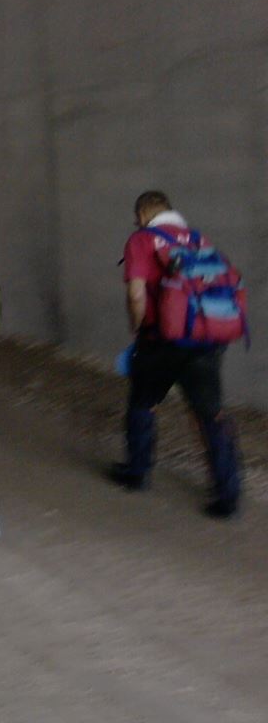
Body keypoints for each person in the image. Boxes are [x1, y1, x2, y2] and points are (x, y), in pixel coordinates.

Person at [110, 190, 241, 518]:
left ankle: (137, 472)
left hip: (161, 341)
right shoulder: (197, 239)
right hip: (206, 339)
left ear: (143, 213)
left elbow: (136, 294)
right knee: (209, 414)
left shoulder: (142, 239)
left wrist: (136, 326)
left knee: (143, 403)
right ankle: (227, 494)